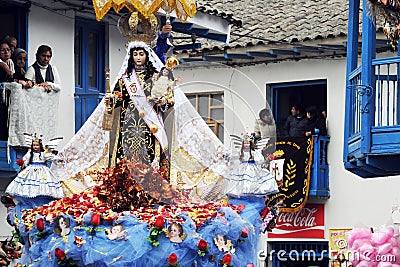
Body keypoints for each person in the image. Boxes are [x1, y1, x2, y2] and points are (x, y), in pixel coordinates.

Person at [105, 40, 172, 174]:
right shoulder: (125, 79)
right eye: (135, 54)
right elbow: (118, 97)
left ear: (147, 55)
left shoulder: (156, 77)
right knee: (127, 154)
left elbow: (169, 98)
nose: (138, 57)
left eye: (141, 54)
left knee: (148, 152)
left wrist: (162, 101)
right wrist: (111, 99)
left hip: (149, 123)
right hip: (128, 122)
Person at [224, 133, 279, 198]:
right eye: (245, 143)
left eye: (248, 143)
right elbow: (234, 157)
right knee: (241, 182)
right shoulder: (240, 152)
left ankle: (251, 196)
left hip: (252, 168)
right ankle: (244, 195)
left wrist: (263, 161)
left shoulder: (254, 152)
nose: (246, 145)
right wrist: (227, 157)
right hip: (242, 169)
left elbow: (260, 160)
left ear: (250, 144)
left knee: (252, 182)